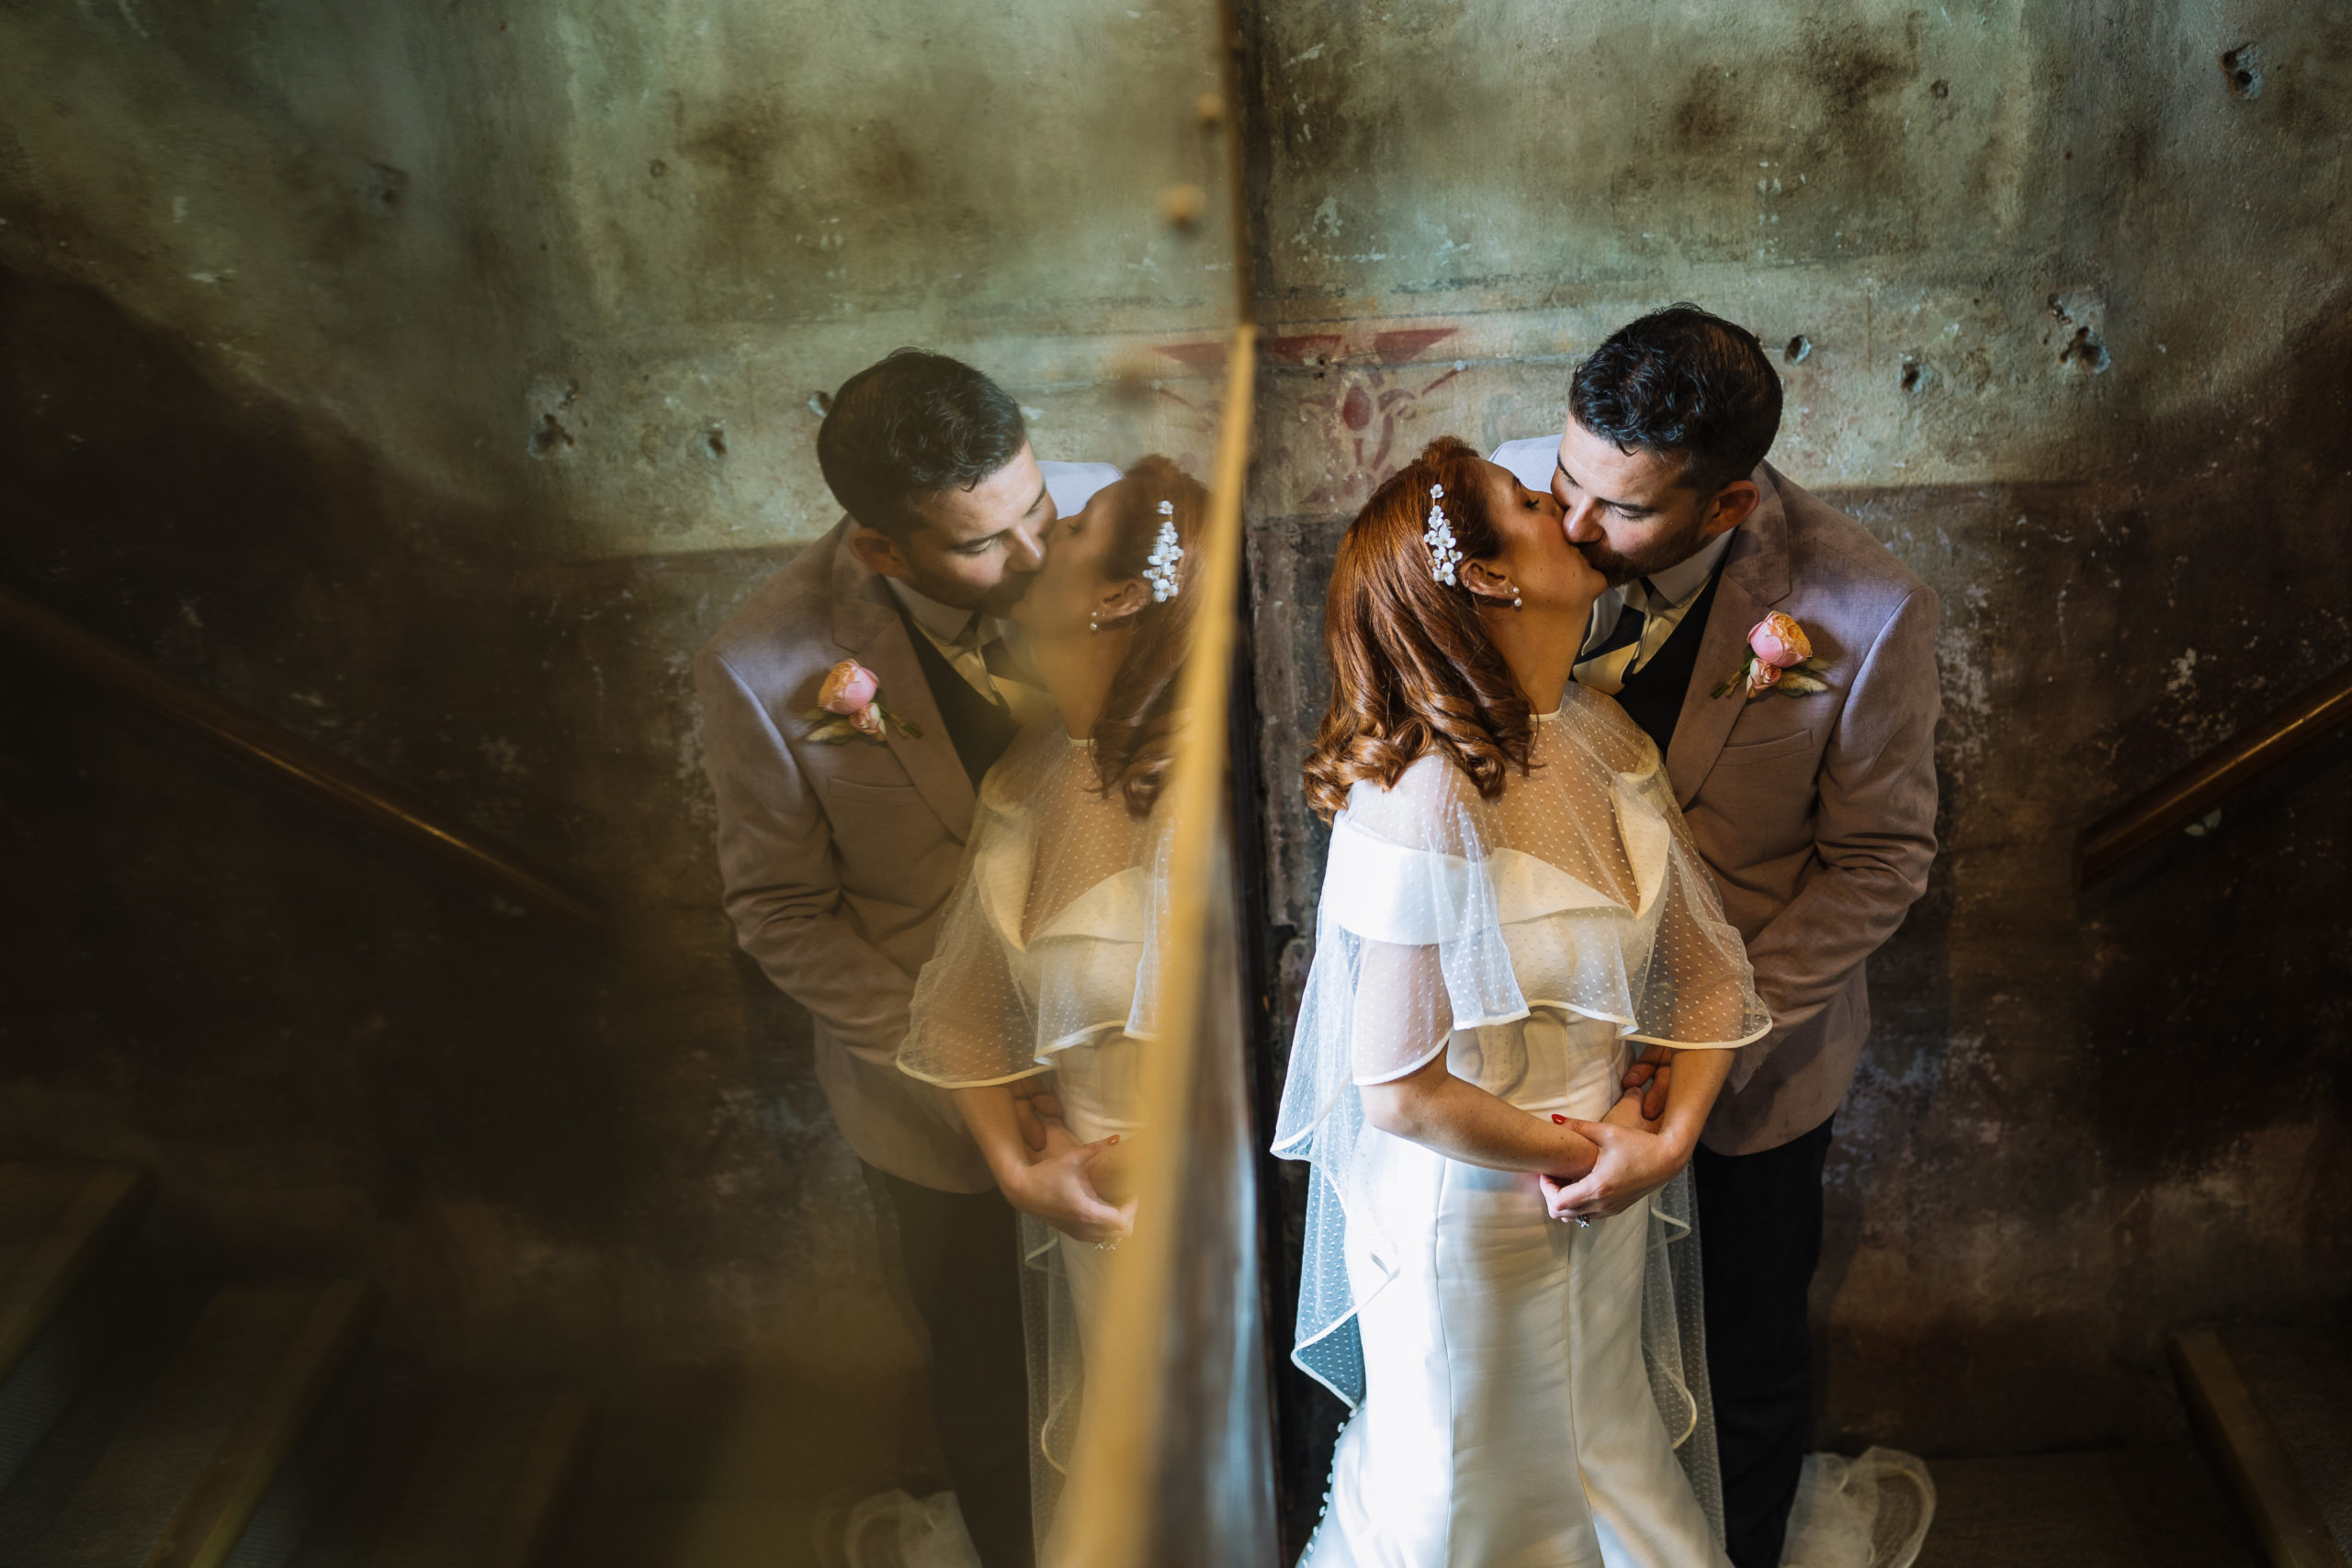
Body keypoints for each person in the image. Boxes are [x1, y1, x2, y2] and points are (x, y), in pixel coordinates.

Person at [1491, 305, 1941, 1568]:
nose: (1571, 528)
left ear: (1731, 502)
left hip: (1752, 1074)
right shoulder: (1531, 504)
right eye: (1565, 478)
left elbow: (1878, 862)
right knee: (1565, 1358)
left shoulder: (1864, 608)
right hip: (1544, 1053)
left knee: (1743, 1365)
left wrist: (1702, 1033)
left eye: (1621, 511)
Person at [1275, 436, 1771, 1567]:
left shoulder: (1599, 737)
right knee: (1474, 1502)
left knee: (1612, 1467)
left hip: (1604, 1190)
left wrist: (1661, 1142)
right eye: (1533, 502)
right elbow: (1396, 1091)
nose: (1570, 512)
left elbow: (1703, 968)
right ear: (1490, 576)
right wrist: (1583, 1153)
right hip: (1480, 1225)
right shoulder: (1421, 791)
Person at [694, 349, 1117, 1568]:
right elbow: (778, 910)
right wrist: (965, 1057)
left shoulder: (1123, 544)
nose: (1033, 553)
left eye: (1034, 506)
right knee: (992, 1396)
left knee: (1161, 1374)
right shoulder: (768, 660)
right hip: (932, 1116)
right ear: (880, 548)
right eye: (985, 543)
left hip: (1129, 1063)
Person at [897, 457, 1208, 1551]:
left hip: (1212, 1209)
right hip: (1091, 1217)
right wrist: (1021, 1167)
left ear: (1122, 596)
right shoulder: (1028, 783)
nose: (1035, 547)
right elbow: (968, 1011)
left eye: (1067, 528)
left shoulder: (1207, 791)